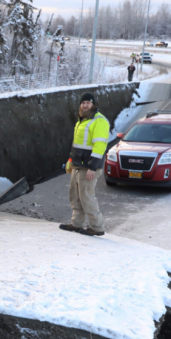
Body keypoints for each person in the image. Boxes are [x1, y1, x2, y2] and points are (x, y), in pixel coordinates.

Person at [59, 92, 109, 237]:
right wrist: (70, 161)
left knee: (87, 196)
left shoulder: (99, 121)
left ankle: (97, 227)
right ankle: (76, 224)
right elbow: (76, 145)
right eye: (83, 103)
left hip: (89, 167)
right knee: (75, 196)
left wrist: (92, 167)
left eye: (88, 102)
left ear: (93, 104)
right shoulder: (82, 121)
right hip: (78, 165)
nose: (85, 105)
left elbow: (100, 145)